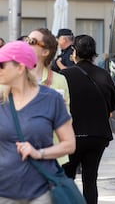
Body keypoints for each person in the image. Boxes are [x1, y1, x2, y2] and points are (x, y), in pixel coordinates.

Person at [0, 41, 75, 203]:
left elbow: (69, 144)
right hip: (3, 192)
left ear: (20, 68)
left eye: (2, 65)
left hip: (40, 191)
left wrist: (39, 153)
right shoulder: (1, 100)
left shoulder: (51, 98)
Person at [61, 35, 115, 204]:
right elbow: (113, 104)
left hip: (72, 135)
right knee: (90, 179)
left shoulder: (64, 75)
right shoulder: (104, 74)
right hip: (98, 135)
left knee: (67, 178)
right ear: (94, 53)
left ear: (75, 52)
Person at [24, 28, 71, 165]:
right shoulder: (16, 76)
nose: (27, 43)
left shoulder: (59, 81)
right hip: (19, 157)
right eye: (27, 40)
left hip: (52, 157)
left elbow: (67, 120)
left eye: (32, 41)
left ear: (45, 52)